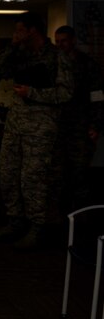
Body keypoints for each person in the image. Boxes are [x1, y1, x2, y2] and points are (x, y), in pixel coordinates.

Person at [0, 13, 72, 250]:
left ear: (32, 30)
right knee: (6, 170)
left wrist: (33, 93)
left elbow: (66, 93)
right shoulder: (20, 53)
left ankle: (38, 227)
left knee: (33, 177)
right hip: (16, 122)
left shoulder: (57, 57)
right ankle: (15, 221)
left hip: (41, 126)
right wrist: (12, 46)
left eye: (19, 31)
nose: (16, 35)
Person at [52, 25, 103, 213]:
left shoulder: (86, 63)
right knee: (59, 171)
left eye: (64, 41)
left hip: (81, 126)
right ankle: (61, 212)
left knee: (79, 172)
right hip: (59, 125)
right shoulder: (54, 63)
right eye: (57, 42)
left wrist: (96, 125)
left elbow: (97, 95)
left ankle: (81, 213)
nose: (60, 45)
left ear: (72, 40)